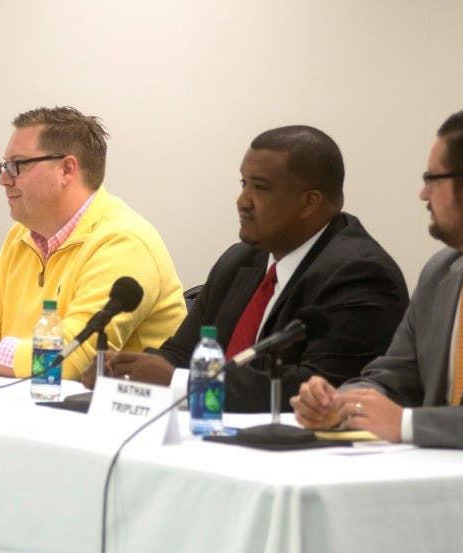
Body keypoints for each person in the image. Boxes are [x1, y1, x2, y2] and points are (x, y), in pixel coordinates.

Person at [292, 107, 463, 453]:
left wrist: (408, 425)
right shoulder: (441, 272)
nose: (423, 195)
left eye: (432, 179)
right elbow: (393, 378)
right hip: (436, 486)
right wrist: (339, 405)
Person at [84, 126, 409, 412]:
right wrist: (125, 370)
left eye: (260, 188)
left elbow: (317, 390)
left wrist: (177, 381)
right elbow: (181, 354)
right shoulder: (239, 261)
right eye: (244, 184)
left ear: (309, 202)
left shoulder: (360, 274)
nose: (243, 201)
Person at [0, 106, 186, 380]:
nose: (3, 179)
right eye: (4, 165)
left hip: (117, 422)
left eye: (16, 165)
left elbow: (72, 358)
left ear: (67, 170)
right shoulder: (21, 236)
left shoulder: (123, 242)